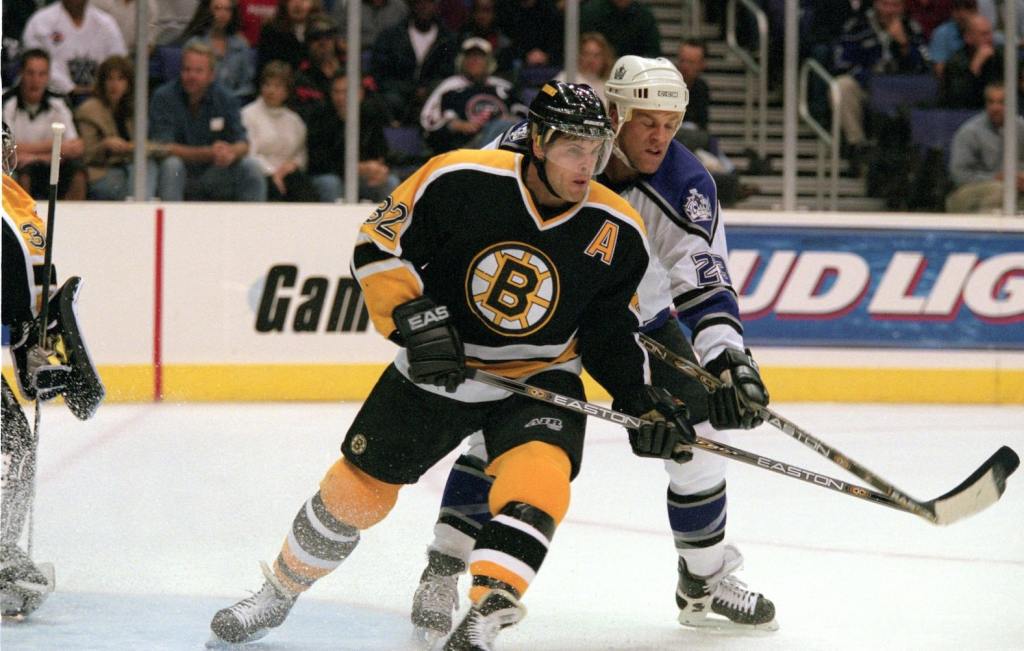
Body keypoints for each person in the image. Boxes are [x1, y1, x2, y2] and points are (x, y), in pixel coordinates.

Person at [208, 81, 697, 650]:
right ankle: (280, 590)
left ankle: (489, 609)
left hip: (539, 379)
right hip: (446, 366)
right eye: (572, 149)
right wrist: (415, 321)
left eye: (596, 151)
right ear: (538, 141)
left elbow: (609, 330)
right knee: (358, 491)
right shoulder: (460, 179)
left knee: (540, 480)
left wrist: (639, 399)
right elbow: (377, 246)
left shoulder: (618, 229)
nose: (587, 166)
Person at [409, 57, 776, 643]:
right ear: (616, 113)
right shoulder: (541, 146)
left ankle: (704, 580)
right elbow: (466, 214)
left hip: (635, 323)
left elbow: (703, 280)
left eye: (671, 123)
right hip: (540, 313)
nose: (660, 137)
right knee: (497, 435)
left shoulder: (685, 184)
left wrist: (729, 360)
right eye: (647, 122)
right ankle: (445, 565)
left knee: (702, 439)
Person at [1, 123, 103, 618]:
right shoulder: (15, 214)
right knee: (13, 450)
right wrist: (27, 340)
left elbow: (23, 302)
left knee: (14, 449)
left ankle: (1, 552)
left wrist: (29, 349)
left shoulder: (18, 210)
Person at [149, 40, 267, 201]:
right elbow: (162, 146)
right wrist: (208, 153)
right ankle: (172, 222)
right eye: (186, 70)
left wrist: (231, 152)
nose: (191, 76)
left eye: (198, 71)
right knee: (172, 165)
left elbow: (243, 143)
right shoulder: (163, 96)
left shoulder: (226, 98)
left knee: (251, 167)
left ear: (211, 75)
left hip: (215, 173)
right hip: (180, 173)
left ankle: (251, 224)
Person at [832, 0, 931, 162]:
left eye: (895, 5)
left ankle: (918, 152)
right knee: (842, 86)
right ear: (875, 4)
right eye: (885, 4)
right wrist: (871, 80)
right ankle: (857, 145)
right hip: (867, 86)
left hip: (903, 90)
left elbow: (924, 65)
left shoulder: (912, 28)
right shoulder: (857, 26)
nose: (890, 11)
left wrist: (904, 44)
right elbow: (842, 63)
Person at [1, 49, 88, 200]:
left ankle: (75, 219)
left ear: (48, 76)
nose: (36, 80)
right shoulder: (6, 103)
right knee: (23, 174)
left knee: (78, 174)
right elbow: (6, 150)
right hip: (20, 167)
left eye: (42, 74)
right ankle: (24, 220)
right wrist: (55, 146)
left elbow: (76, 146)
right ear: (21, 74)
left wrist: (37, 156)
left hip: (54, 163)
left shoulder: (59, 102)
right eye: (31, 73)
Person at [74, 55, 163, 200]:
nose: (114, 85)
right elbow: (86, 155)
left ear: (128, 83)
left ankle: (141, 207)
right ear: (102, 82)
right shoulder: (89, 110)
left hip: (129, 166)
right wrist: (104, 145)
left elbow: (148, 144)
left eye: (120, 79)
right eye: (110, 79)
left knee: (147, 166)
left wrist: (131, 147)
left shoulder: (135, 110)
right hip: (102, 170)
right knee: (127, 179)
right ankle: (139, 209)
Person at [420, 37, 526, 154]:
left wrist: (512, 120)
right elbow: (428, 122)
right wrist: (455, 125)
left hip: (505, 143)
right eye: (470, 56)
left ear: (489, 61)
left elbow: (526, 117)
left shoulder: (503, 87)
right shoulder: (450, 86)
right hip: (465, 148)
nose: (474, 61)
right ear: (462, 61)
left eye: (479, 57)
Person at [305, 71, 399, 202]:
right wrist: (356, 167)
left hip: (361, 177)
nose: (340, 97)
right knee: (330, 183)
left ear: (360, 94)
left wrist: (381, 169)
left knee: (389, 182)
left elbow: (382, 152)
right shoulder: (320, 117)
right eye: (336, 92)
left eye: (345, 92)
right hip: (330, 175)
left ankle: (388, 221)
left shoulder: (370, 116)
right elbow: (318, 161)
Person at [370, 0, 458, 125]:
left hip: (433, 97)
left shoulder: (447, 39)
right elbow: (380, 75)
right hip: (398, 98)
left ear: (436, 5)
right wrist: (412, 90)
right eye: (419, 2)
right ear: (412, 4)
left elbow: (449, 75)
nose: (424, 6)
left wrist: (427, 89)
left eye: (429, 2)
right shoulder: (390, 36)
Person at [241, 61, 318, 201]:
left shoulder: (294, 120)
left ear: (287, 91)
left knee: (301, 185)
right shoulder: (248, 114)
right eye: (267, 85)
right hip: (261, 174)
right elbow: (249, 154)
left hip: (288, 174)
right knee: (273, 187)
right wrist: (273, 173)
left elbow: (300, 154)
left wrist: (290, 167)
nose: (271, 91)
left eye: (277, 86)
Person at [20, 0, 128, 99]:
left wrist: (100, 87)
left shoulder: (106, 23)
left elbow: (119, 62)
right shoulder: (40, 22)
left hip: (101, 98)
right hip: (54, 97)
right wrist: (70, 88)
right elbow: (34, 65)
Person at [945, 81, 1024, 213]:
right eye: (991, 102)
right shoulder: (970, 132)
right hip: (970, 192)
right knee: (1000, 190)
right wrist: (996, 178)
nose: (995, 108)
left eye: (1001, 102)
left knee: (1008, 191)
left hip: (1015, 188)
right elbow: (959, 175)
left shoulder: (1021, 128)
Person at [178, 0, 258, 101]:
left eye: (227, 9)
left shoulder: (241, 45)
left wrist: (229, 101)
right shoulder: (193, 44)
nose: (222, 14)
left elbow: (246, 85)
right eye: (217, 8)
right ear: (207, 12)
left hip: (233, 104)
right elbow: (187, 83)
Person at [940, 14, 1003, 109]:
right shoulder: (956, 62)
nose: (989, 39)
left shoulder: (1000, 56)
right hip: (966, 114)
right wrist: (975, 67)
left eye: (990, 33)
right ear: (968, 38)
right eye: (984, 34)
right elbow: (957, 100)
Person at [579, 0, 661, 59]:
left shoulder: (645, 17)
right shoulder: (591, 12)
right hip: (593, 75)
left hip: (633, 75)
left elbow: (652, 54)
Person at [555, 32, 615, 105]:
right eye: (586, 54)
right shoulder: (565, 78)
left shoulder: (610, 85)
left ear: (605, 57)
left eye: (596, 55)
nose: (591, 60)